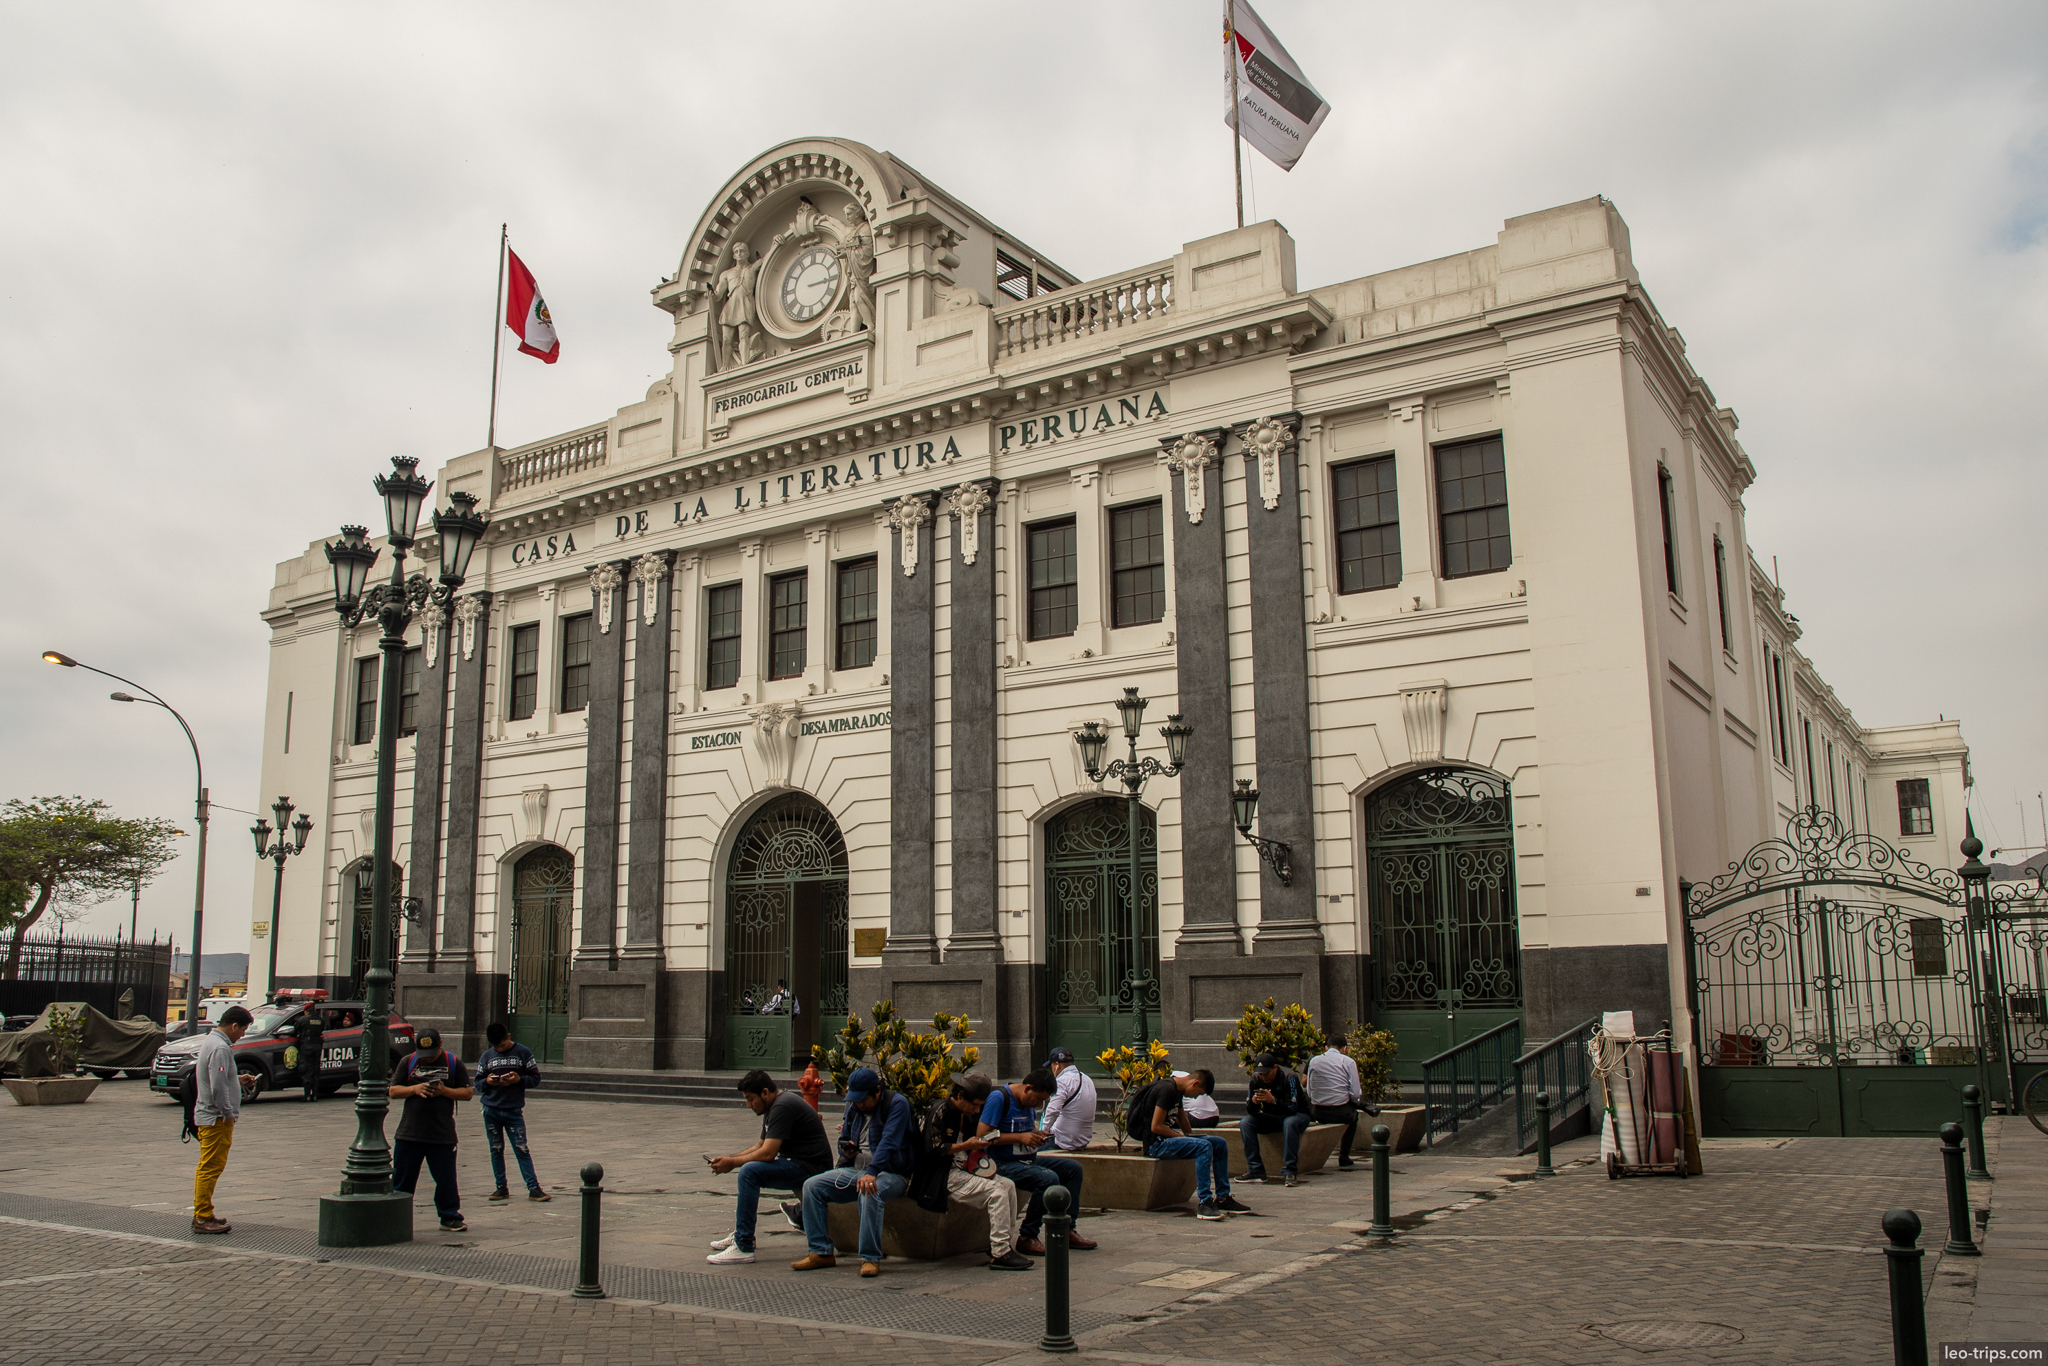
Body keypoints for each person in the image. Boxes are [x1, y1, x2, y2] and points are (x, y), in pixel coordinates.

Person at [793, 1066, 915, 1276]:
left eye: (862, 1099)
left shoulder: (897, 1104)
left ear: (876, 1092)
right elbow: (846, 1135)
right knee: (812, 1186)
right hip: (856, 1168)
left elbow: (889, 1142)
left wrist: (873, 1172)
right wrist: (846, 1148)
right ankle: (820, 1252)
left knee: (869, 1190)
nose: (858, 1104)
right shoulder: (854, 1107)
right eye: (854, 1099)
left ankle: (870, 1257)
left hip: (891, 1172)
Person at [707, 1069, 834, 1265]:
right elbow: (760, 1145)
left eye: (750, 1099)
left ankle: (744, 1245)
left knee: (749, 1173)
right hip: (796, 1162)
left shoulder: (783, 1106)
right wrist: (729, 1158)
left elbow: (767, 1153)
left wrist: (733, 1163)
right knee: (748, 1169)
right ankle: (743, 1234)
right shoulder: (773, 1105)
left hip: (810, 1167)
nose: (748, 1105)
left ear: (765, 1093)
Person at [979, 1069, 1096, 1255]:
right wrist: (1020, 1138)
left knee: (1073, 1169)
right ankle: (1028, 1236)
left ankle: (1067, 1228)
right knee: (1048, 1179)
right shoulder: (999, 1098)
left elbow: (1027, 1127)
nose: (1039, 1104)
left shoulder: (1028, 1104)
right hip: (1001, 1163)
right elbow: (983, 1135)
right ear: (1028, 1089)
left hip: (1028, 1160)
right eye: (1038, 1099)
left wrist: (1037, 1134)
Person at [921, 1073, 1030, 1271]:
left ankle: (1002, 1245)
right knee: (996, 1192)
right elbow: (932, 1149)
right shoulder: (940, 1111)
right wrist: (964, 1145)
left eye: (980, 1106)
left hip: (967, 1168)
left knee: (1008, 1185)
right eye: (975, 1105)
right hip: (944, 1175)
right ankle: (1000, 1252)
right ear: (960, 1096)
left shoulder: (968, 1115)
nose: (976, 1110)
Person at [1130, 1068, 1247, 1220]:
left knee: (1219, 1143)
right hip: (1156, 1144)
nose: (1195, 1097)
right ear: (1195, 1083)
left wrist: (1191, 1136)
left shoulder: (1177, 1090)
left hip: (1168, 1140)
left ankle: (1223, 1198)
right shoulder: (1166, 1090)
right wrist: (1184, 1139)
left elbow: (1182, 1119)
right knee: (1203, 1146)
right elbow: (1156, 1127)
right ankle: (1205, 1202)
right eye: (1198, 1093)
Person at [389, 1028, 473, 1232]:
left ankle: (449, 1216)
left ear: (441, 1044)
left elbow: (468, 1093)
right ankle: (397, 1217)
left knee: (446, 1179)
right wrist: (415, 1089)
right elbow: (393, 1090)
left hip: (442, 1133)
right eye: (423, 1055)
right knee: (402, 1179)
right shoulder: (408, 1061)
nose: (427, 1059)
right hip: (409, 1132)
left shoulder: (454, 1063)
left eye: (431, 1055)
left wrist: (445, 1091)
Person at [190, 1004, 252, 1234]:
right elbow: (217, 1086)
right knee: (210, 1167)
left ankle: (203, 1212)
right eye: (243, 1030)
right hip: (215, 1118)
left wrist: (237, 1079)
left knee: (209, 1166)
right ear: (234, 1026)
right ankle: (202, 1216)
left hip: (210, 1115)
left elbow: (219, 1078)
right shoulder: (220, 1048)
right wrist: (227, 1113)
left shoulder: (211, 1042)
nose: (242, 1035)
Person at [475, 1022, 548, 1203]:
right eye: (495, 1046)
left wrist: (518, 1080)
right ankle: (501, 1186)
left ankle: (533, 1187)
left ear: (508, 1037)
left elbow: (535, 1078)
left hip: (513, 1110)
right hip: (491, 1109)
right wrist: (488, 1082)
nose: (498, 1049)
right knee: (496, 1148)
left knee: (521, 1148)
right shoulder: (487, 1056)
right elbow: (477, 1083)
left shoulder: (523, 1053)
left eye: (501, 1045)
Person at [1240, 1053, 1312, 1186]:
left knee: (1289, 1123)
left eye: (1267, 1074)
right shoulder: (1255, 1079)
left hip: (1298, 1115)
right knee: (1246, 1123)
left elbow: (1293, 1108)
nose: (1264, 1077)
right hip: (1272, 1116)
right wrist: (1254, 1103)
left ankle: (1290, 1170)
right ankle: (1255, 1169)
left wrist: (1273, 1101)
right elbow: (1251, 1111)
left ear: (1275, 1068)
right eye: (1261, 1074)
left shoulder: (1289, 1077)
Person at [1304, 1038, 1367, 1169]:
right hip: (1341, 1113)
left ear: (1326, 1047)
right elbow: (1355, 1093)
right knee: (1353, 1117)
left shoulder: (1314, 1061)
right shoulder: (1348, 1062)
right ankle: (1344, 1156)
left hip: (1318, 1112)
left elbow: (1309, 1091)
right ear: (1344, 1048)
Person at [1040, 1048, 1097, 1152]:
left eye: (1051, 1066)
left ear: (1057, 1065)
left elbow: (1052, 1110)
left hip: (1062, 1140)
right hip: (1082, 1140)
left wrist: (1043, 1132)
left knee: (1028, 1152)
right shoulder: (1087, 1079)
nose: (1052, 1070)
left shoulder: (1061, 1081)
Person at [291, 1004, 325, 1102]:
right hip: (317, 1046)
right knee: (315, 1070)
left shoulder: (303, 1020)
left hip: (307, 1047)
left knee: (307, 1070)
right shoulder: (320, 1020)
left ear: (306, 1011)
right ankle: (315, 1095)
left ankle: (307, 1095)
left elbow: (294, 1030)